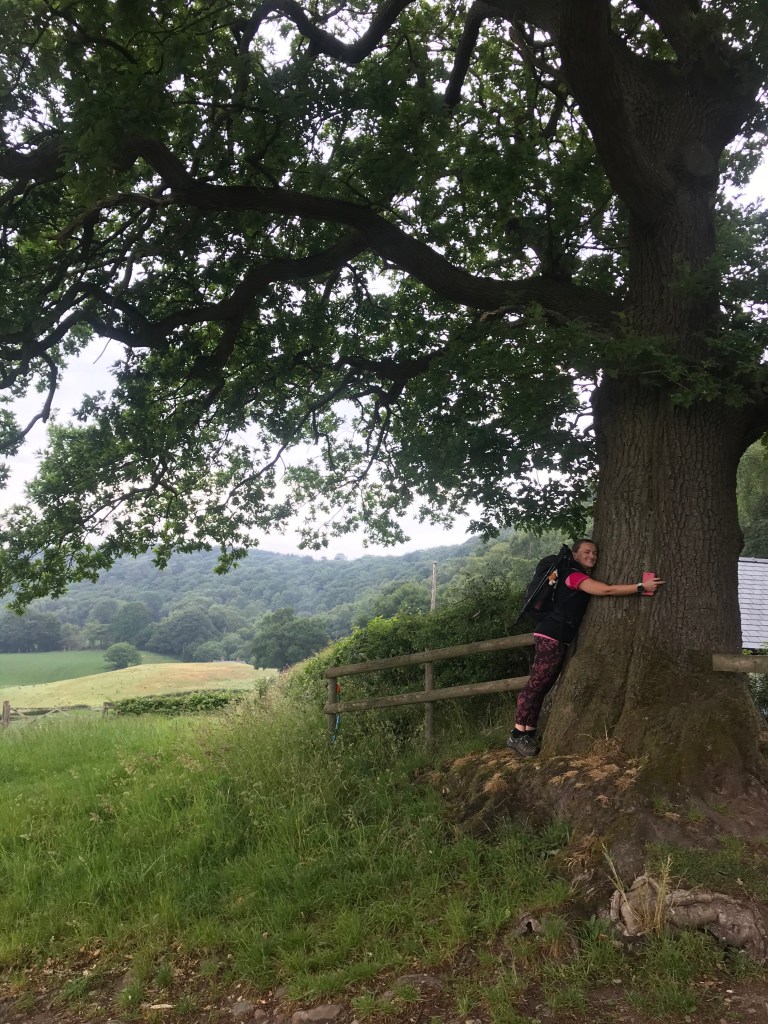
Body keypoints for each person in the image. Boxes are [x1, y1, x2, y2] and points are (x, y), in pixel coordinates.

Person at [507, 538, 664, 757]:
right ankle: (516, 734)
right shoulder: (573, 575)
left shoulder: (572, 573)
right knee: (535, 685)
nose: (592, 556)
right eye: (587, 552)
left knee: (543, 685)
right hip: (551, 634)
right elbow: (606, 590)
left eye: (595, 553)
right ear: (575, 554)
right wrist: (640, 587)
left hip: (556, 635)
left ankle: (528, 733)